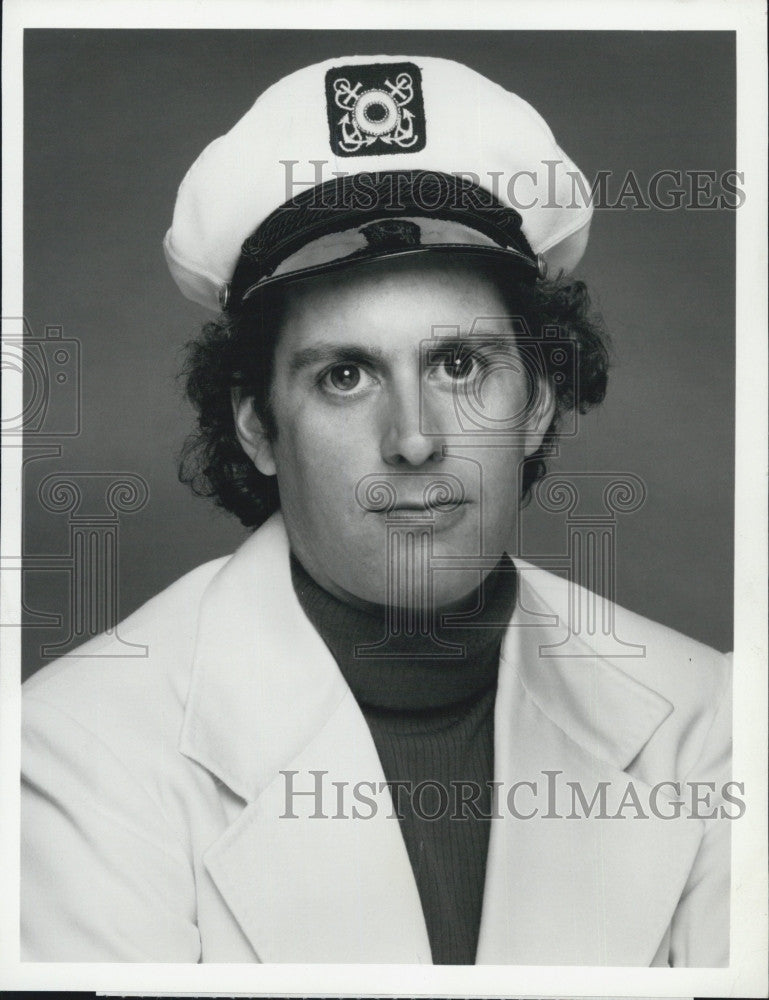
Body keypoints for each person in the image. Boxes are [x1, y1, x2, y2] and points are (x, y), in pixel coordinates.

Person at [21, 53, 732, 966]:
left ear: (539, 404)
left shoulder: (704, 716)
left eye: (460, 365)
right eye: (345, 375)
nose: (414, 439)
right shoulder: (78, 747)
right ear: (258, 428)